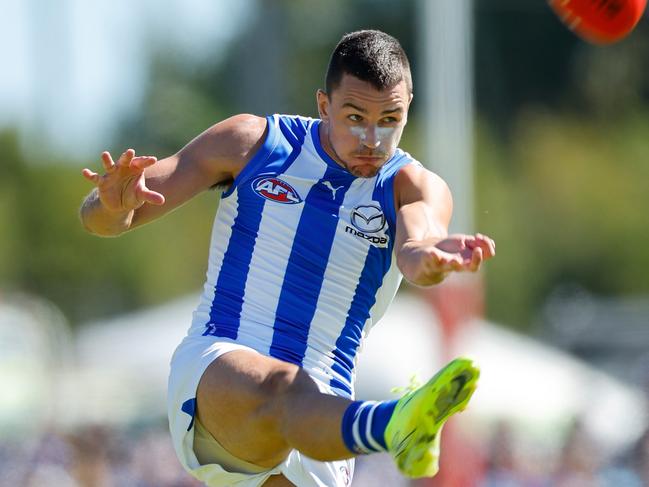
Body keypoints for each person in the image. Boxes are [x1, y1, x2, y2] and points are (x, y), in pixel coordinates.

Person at [80, 29, 495, 487]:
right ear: (323, 105)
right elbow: (101, 219)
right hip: (220, 368)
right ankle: (394, 425)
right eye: (355, 117)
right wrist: (112, 205)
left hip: (326, 410)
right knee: (281, 387)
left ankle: (388, 425)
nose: (373, 139)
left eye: (390, 120)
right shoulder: (252, 143)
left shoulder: (413, 186)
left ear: (408, 109)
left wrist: (434, 257)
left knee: (297, 393)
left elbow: (416, 251)